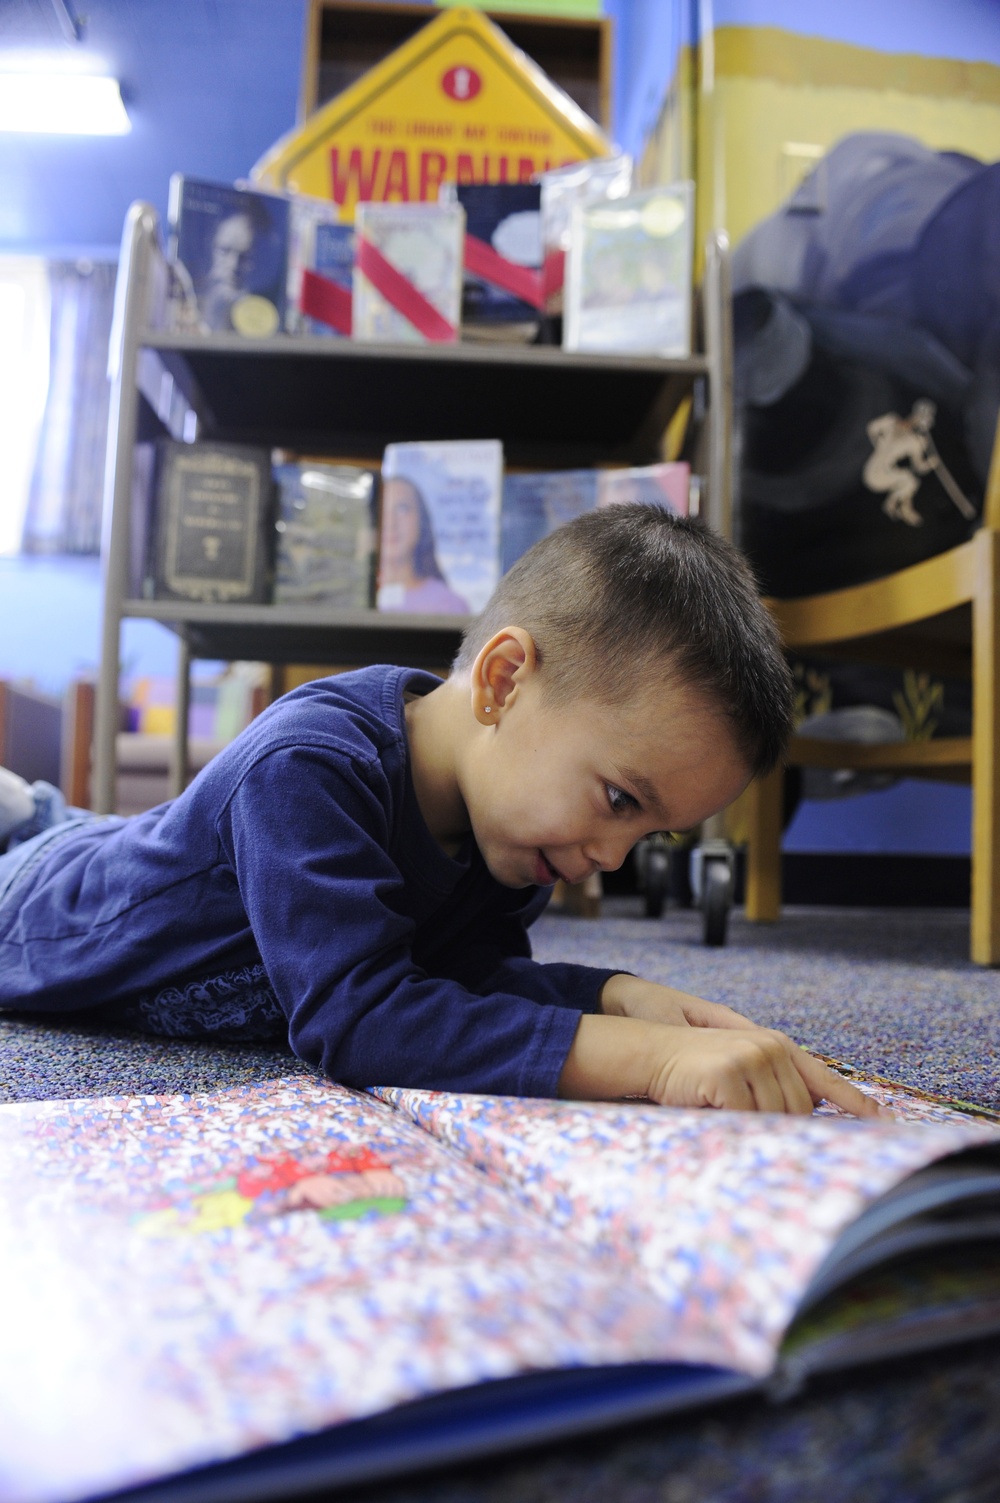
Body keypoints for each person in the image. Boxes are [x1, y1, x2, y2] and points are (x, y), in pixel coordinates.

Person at [0, 506, 878, 1118]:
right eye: (618, 799)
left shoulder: (518, 835)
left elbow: (458, 987)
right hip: (43, 901)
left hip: (127, 847)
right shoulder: (310, 764)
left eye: (648, 832)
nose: (610, 856)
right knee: (40, 831)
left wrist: (619, 997)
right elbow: (361, 1015)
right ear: (503, 682)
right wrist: (651, 1061)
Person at [377, 475, 470, 613]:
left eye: (402, 508)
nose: (391, 523)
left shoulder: (448, 605)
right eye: (382, 509)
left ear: (421, 520)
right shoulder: (351, 596)